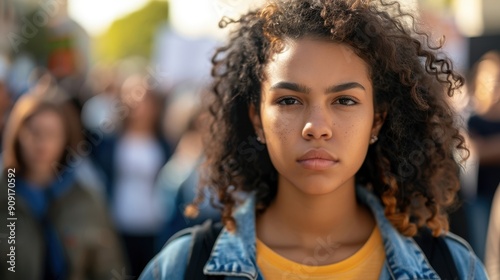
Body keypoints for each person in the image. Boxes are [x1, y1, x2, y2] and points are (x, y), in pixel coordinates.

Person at [140, 0, 488, 279]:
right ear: (256, 119)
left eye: (345, 101)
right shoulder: (179, 268)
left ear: (376, 120)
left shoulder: (455, 268)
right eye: (289, 100)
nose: (316, 127)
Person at [0, 89, 125, 279]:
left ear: (66, 139)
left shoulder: (86, 199)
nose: (41, 143)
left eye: (51, 134)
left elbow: (109, 268)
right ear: (17, 135)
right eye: (33, 132)